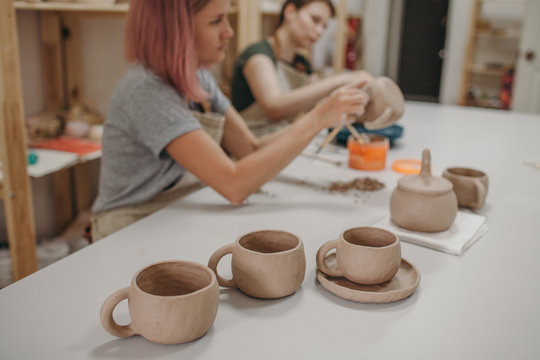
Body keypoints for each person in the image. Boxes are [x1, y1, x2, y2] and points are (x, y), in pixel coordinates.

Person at [91, 0, 369, 241]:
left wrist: (318, 118)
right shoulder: (147, 90)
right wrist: (319, 117)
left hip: (175, 210)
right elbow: (234, 185)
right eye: (216, 21)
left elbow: (249, 148)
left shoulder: (197, 77)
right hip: (130, 224)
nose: (229, 31)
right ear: (177, 29)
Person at [230, 0, 373, 135]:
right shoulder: (258, 55)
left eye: (324, 26)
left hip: (283, 140)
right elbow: (274, 107)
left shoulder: (302, 63)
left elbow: (321, 104)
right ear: (290, 12)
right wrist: (340, 79)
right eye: (315, 20)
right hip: (251, 148)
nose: (320, 31)